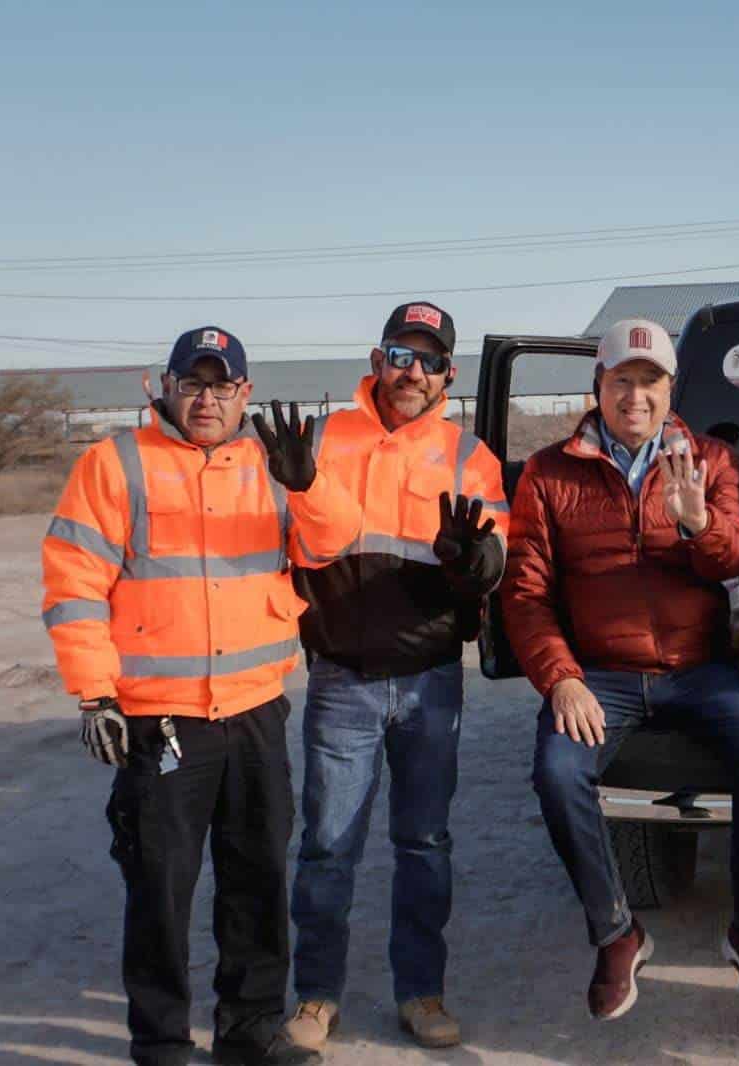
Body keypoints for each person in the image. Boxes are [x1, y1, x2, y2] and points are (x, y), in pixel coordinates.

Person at [43, 327, 360, 1066]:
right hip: (162, 722)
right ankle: (159, 1045)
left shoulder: (277, 463)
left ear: (245, 393)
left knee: (257, 878)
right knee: (160, 890)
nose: (207, 399)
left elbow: (330, 544)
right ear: (166, 386)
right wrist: (95, 694)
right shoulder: (114, 465)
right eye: (193, 383)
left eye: (222, 386)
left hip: (253, 710)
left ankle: (250, 1033)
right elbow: (74, 583)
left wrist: (307, 481)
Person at [504, 318, 739, 1019]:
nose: (637, 395)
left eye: (651, 382)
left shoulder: (708, 459)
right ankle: (616, 932)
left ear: (671, 389)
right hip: (598, 672)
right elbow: (525, 592)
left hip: (698, 669)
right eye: (622, 380)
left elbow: (735, 561)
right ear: (597, 386)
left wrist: (697, 522)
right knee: (558, 770)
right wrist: (560, 677)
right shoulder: (548, 472)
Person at [278, 303, 509, 1058]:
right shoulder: (321, 440)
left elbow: (498, 549)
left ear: (449, 374)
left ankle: (421, 992)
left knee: (424, 844)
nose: (412, 372)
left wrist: (476, 563)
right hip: (342, 677)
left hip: (431, 680)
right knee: (327, 847)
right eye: (398, 355)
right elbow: (284, 544)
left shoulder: (469, 454)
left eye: (428, 360)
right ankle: (316, 997)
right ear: (375, 361)